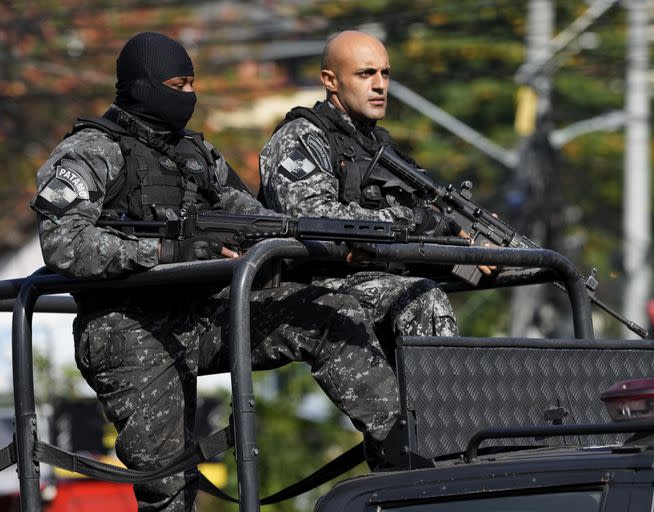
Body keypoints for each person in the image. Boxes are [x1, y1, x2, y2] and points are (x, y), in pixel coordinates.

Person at [30, 32, 400, 512]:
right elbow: (64, 243)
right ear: (142, 86)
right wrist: (170, 252)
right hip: (128, 329)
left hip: (202, 316)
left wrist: (332, 238)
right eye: (176, 84)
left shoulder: (195, 155)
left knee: (329, 312)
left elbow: (255, 220)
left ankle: (406, 460)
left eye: (191, 84)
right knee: (169, 491)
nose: (188, 95)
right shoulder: (92, 151)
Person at [260, 30, 479, 360]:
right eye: (365, 73)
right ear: (330, 80)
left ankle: (436, 408)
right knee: (422, 299)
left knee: (498, 266)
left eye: (385, 73)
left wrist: (469, 238)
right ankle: (440, 410)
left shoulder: (381, 144)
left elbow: (429, 208)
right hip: (314, 287)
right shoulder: (301, 138)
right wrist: (414, 221)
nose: (380, 85)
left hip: (378, 279)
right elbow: (314, 219)